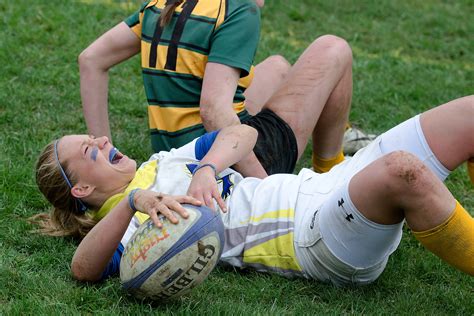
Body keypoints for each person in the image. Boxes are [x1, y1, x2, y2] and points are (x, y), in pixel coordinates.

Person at [33, 95, 474, 286]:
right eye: (90, 150)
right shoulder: (127, 232)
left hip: (322, 185)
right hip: (312, 237)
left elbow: (241, 135)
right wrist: (133, 202)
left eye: (95, 137)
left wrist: (206, 169)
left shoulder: (162, 162)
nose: (103, 141)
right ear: (83, 188)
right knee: (404, 170)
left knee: (469, 115)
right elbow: (82, 270)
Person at [79, 0, 372, 177]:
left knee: (278, 67)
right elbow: (214, 111)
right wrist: (264, 190)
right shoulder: (237, 9)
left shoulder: (159, 6)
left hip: (173, 156)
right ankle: (329, 170)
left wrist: (106, 149)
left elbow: (91, 59)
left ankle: (336, 136)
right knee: (333, 49)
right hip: (224, 163)